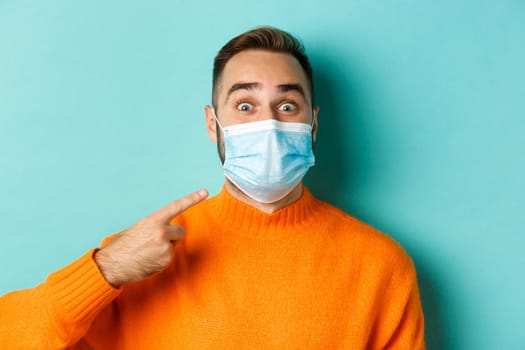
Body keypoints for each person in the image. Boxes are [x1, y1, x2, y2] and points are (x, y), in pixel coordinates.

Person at [0, 26, 425, 349]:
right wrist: (104, 270)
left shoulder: (380, 266)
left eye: (287, 105)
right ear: (211, 123)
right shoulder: (142, 256)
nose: (269, 122)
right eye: (245, 105)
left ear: (313, 123)